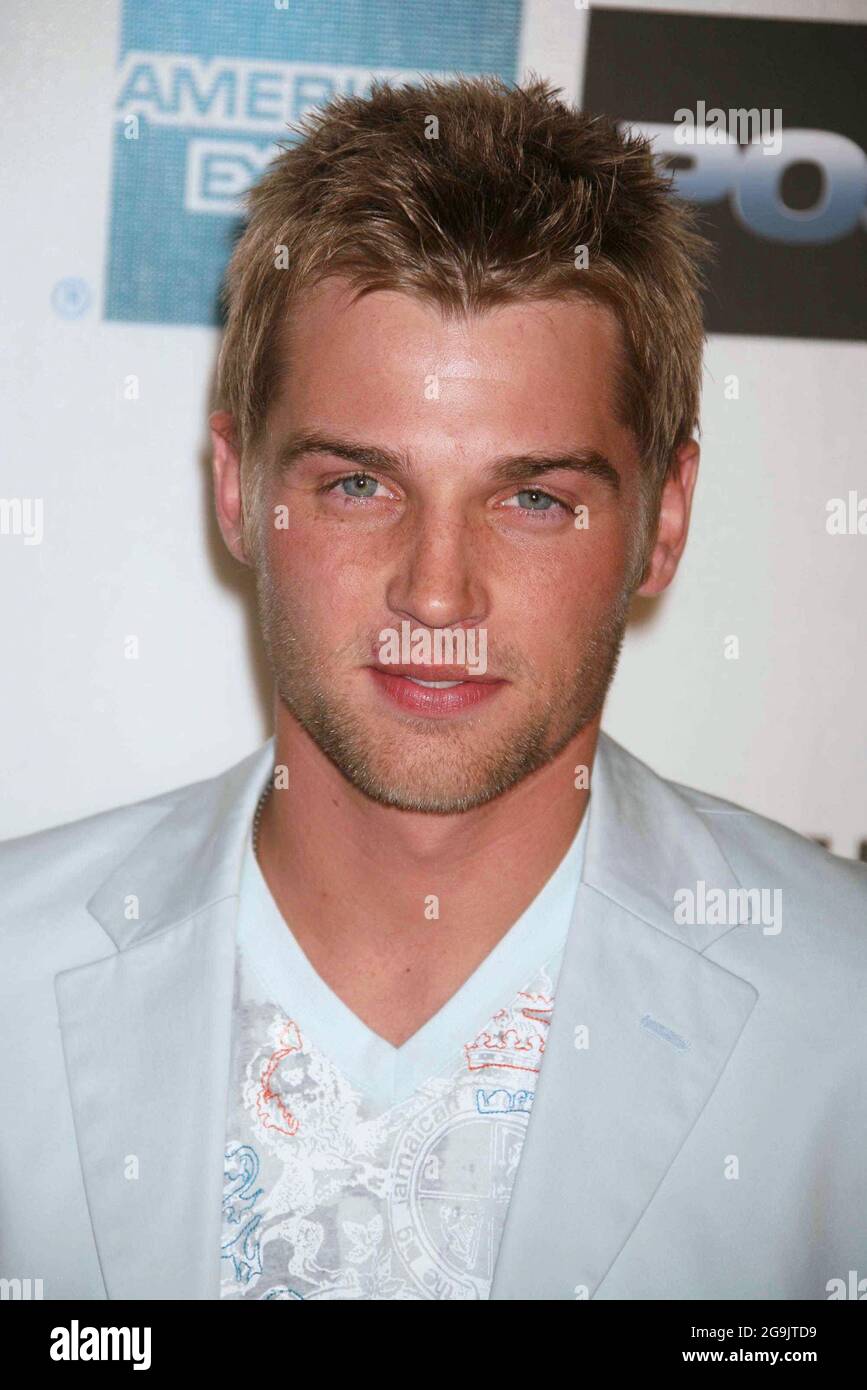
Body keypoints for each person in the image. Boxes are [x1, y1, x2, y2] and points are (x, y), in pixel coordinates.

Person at [1, 76, 864, 1302]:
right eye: (360, 485)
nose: (439, 594)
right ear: (238, 487)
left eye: (534, 499)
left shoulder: (842, 1017)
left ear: (664, 522)